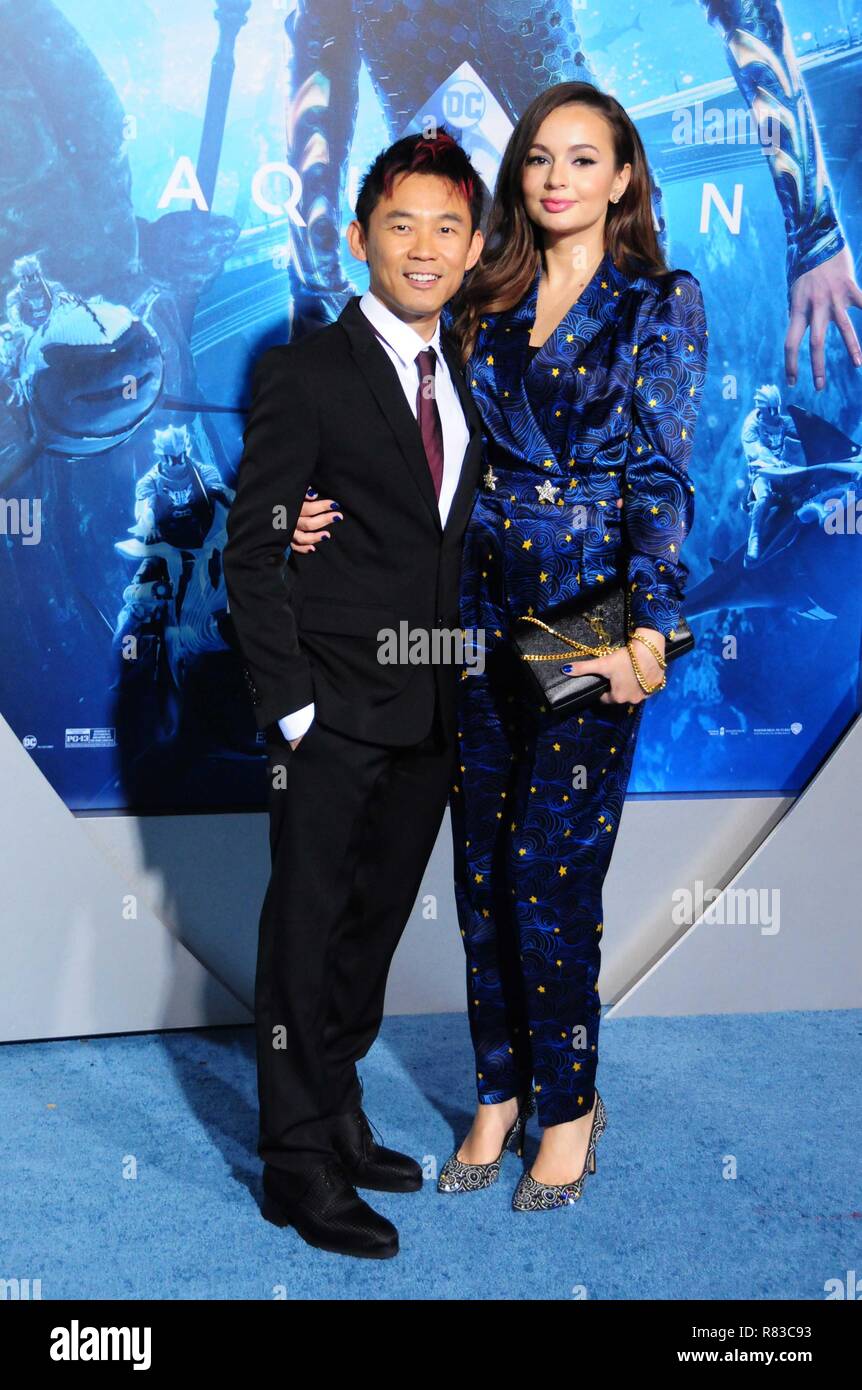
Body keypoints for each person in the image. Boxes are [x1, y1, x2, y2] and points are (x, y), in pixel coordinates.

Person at [293, 81, 708, 1212]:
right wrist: (307, 504)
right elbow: (391, 410)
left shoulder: (656, 304)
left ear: (622, 177)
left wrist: (649, 628)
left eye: (583, 159)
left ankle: (567, 1103)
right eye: (539, 158)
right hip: (471, 618)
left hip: (588, 619)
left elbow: (663, 479)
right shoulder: (482, 293)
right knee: (479, 874)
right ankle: (498, 1090)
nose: (556, 178)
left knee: (548, 875)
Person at [222, 129, 485, 1259]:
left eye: (445, 228)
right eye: (400, 225)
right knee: (306, 935)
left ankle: (337, 1112)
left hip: (430, 707)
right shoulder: (304, 371)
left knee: (368, 935)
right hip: (330, 711)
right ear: (357, 237)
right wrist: (294, 712)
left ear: (474, 248)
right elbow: (251, 545)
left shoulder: (471, 367)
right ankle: (293, 1165)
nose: (422, 248)